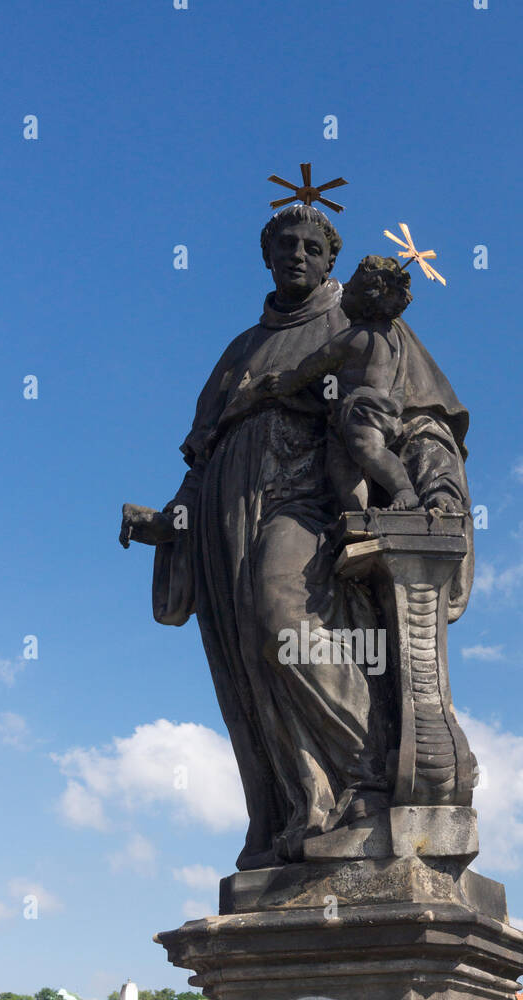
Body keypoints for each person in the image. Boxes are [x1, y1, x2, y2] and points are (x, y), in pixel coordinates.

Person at [145, 204, 473, 869]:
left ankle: (364, 786)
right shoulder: (239, 351)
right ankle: (302, 812)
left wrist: (434, 493)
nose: (297, 254)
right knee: (254, 667)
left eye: (312, 246)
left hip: (314, 508)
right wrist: (169, 520)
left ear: (331, 259)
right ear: (266, 256)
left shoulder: (363, 323)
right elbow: (201, 459)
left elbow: (422, 422)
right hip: (227, 526)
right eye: (284, 244)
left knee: (281, 621)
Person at [233, 256, 423, 512]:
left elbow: (316, 362)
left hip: (365, 411)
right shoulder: (390, 337)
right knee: (340, 464)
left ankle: (403, 490)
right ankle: (359, 513)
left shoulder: (355, 338)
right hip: (345, 415)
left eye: (352, 290)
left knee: (368, 450)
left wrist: (290, 381)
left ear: (368, 304)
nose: (344, 289)